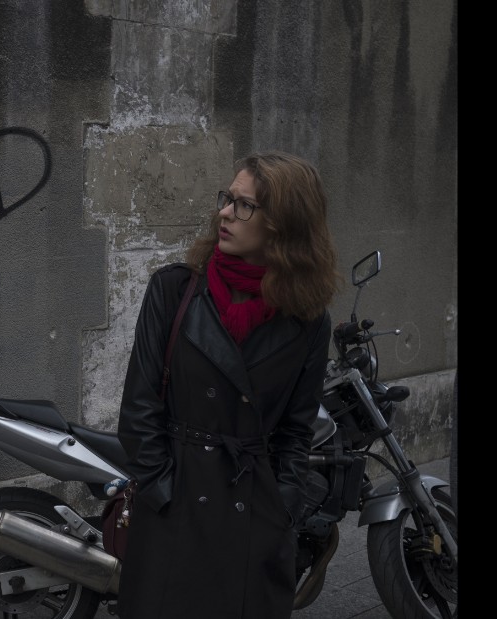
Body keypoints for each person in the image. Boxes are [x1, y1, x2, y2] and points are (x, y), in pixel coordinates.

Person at [116, 151, 341, 618]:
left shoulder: (309, 321)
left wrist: (282, 509)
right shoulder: (174, 291)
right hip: (174, 509)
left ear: (282, 224)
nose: (224, 212)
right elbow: (139, 410)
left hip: (253, 516)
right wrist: (162, 491)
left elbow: (296, 432)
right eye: (227, 199)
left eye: (243, 206)